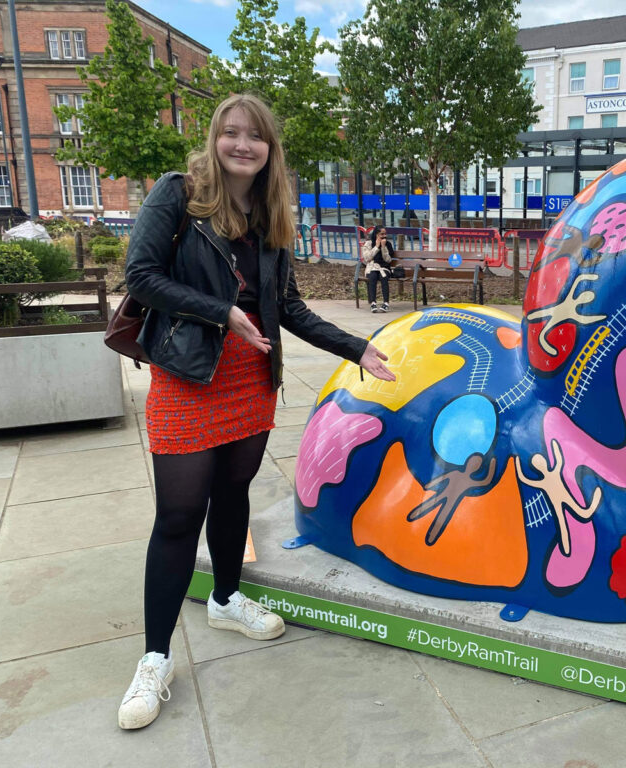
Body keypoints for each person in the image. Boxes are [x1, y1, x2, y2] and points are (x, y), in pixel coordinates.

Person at [119, 93, 395, 730]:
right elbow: (140, 276)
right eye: (231, 133)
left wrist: (357, 348)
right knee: (178, 515)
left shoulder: (271, 217)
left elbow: (290, 309)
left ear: (270, 147)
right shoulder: (179, 195)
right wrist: (223, 313)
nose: (242, 145)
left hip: (251, 378)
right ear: (215, 138)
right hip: (189, 375)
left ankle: (225, 598)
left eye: (255, 136)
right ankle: (154, 659)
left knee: (234, 493)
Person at [362, 226, 395, 312]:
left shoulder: (388, 244)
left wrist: (383, 247)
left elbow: (388, 260)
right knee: (372, 277)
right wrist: (376, 247)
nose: (384, 236)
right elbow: (367, 258)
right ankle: (373, 303)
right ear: (376, 234)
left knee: (383, 277)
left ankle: (386, 303)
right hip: (372, 267)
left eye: (385, 234)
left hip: (384, 267)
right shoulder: (369, 244)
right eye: (382, 234)